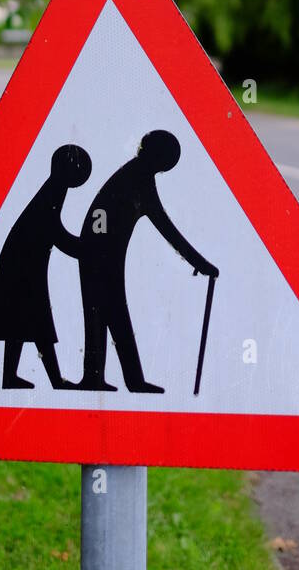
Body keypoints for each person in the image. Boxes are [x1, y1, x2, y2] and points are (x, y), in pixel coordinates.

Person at [77, 129, 218, 393]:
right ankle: (103, 378)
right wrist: (200, 263)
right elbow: (166, 227)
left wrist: (200, 263)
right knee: (104, 313)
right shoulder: (136, 178)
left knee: (110, 314)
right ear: (158, 157)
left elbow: (164, 225)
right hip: (98, 254)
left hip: (103, 254)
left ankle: (118, 379)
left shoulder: (139, 175)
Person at [0, 143, 90, 389]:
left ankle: (16, 378)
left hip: (24, 264)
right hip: (22, 267)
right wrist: (87, 250)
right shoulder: (53, 193)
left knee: (25, 323)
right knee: (34, 322)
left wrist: (80, 248)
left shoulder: (53, 189)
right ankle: (52, 380)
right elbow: (54, 229)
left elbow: (53, 229)